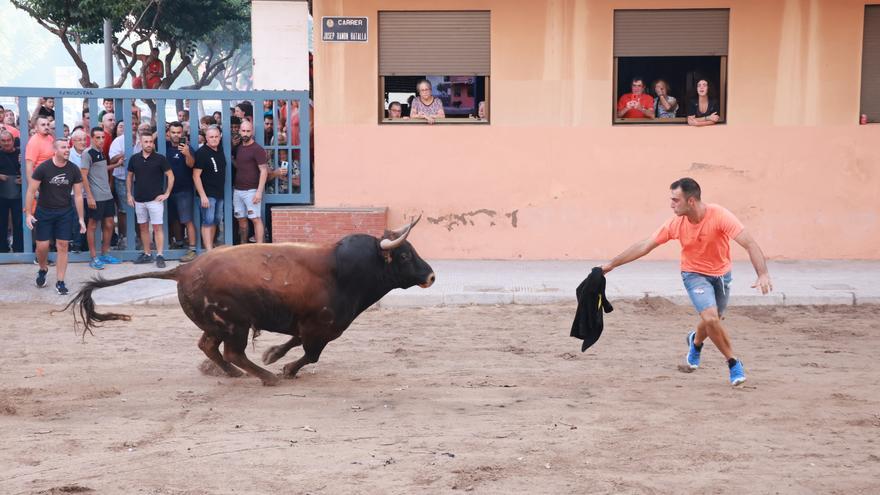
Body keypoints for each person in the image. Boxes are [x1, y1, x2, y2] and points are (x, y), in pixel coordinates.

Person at [600, 178, 772, 386]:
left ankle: (695, 341)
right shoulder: (676, 223)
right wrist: (612, 264)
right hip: (693, 274)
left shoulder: (719, 216)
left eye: (675, 200)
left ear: (691, 201)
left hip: (722, 275)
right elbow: (645, 245)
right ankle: (733, 362)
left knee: (713, 320)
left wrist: (762, 274)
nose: (671, 205)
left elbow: (749, 243)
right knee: (710, 319)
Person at [25, 138, 86, 295]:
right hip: (44, 212)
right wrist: (28, 213)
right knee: (42, 246)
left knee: (63, 245)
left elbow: (78, 196)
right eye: (63, 147)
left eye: (68, 147)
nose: (67, 150)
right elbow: (31, 191)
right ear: (55, 150)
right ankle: (43, 268)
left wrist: (81, 218)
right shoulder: (43, 168)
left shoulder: (73, 169)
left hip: (65, 212)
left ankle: (60, 281)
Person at [126, 133, 173, 268]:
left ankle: (159, 255)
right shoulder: (134, 159)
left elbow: (171, 176)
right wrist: (129, 194)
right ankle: (147, 254)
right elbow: (129, 177)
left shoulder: (160, 159)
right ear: (141, 143)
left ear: (153, 143)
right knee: (143, 228)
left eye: (151, 141)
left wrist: (167, 193)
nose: (148, 144)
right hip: (139, 200)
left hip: (155, 200)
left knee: (157, 228)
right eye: (146, 141)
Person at [80, 127, 121, 269]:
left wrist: (116, 165)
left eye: (102, 137)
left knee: (109, 224)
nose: (101, 140)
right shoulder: (87, 154)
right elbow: (83, 175)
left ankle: (105, 254)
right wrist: (89, 196)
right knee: (92, 225)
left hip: (107, 195)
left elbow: (101, 169)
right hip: (95, 196)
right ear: (91, 138)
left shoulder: (101, 152)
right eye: (97, 137)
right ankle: (94, 258)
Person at [165, 121, 197, 262]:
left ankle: (192, 249)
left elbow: (192, 165)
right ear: (168, 133)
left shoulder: (187, 148)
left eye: (178, 132)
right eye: (173, 132)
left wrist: (186, 154)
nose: (176, 135)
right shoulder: (163, 146)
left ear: (182, 133)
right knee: (174, 219)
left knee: (187, 219)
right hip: (167, 190)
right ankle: (178, 243)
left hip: (184, 190)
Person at [232, 120, 268, 244]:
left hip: (252, 191)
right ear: (239, 131)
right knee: (241, 219)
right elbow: (239, 165)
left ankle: (259, 249)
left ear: (252, 132)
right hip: (237, 190)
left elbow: (264, 170)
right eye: (243, 131)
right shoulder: (238, 148)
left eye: (248, 131)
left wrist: (259, 192)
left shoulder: (257, 149)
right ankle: (243, 247)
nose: (246, 133)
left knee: (256, 219)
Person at [193, 126, 226, 251]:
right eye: (211, 137)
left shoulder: (221, 150)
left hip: (219, 193)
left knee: (216, 220)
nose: (214, 139)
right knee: (208, 221)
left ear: (220, 137)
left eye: (216, 136)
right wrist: (202, 196)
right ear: (206, 138)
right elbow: (196, 176)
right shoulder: (202, 153)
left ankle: (211, 245)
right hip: (208, 194)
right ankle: (208, 250)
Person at [0, 130, 23, 253]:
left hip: (18, 194)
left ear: (13, 141)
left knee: (18, 223)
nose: (6, 143)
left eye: (8, 140)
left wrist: (23, 178)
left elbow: (30, 169)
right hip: (1, 194)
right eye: (3, 141)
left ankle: (19, 248)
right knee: (1, 223)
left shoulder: (21, 154)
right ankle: (2, 250)